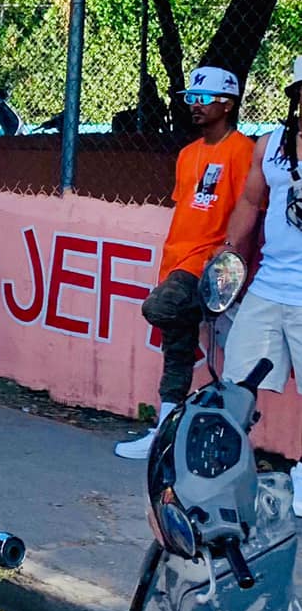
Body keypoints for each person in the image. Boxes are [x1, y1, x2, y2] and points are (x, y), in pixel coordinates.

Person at [115, 65, 252, 459]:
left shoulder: (242, 150)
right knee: (176, 351)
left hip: (207, 264)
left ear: (227, 104)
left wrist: (231, 267)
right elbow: (189, 209)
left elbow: (249, 211)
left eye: (203, 99)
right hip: (176, 260)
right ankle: (164, 434)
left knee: (160, 308)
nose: (194, 106)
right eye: (190, 98)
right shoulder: (188, 153)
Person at [220, 57, 302, 409]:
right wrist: (228, 256)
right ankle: (226, 457)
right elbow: (250, 204)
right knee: (236, 381)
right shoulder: (270, 145)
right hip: (268, 286)